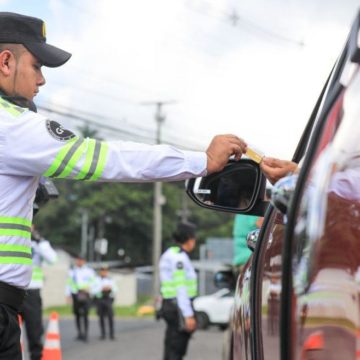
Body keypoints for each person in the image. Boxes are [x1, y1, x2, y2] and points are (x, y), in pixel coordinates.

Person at [0, 12, 247, 358]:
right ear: (6, 62)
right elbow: (110, 159)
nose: (41, 81)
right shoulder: (13, 126)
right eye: (37, 66)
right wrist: (201, 162)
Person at [159, 222, 198, 360]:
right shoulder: (178, 258)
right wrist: (188, 314)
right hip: (178, 308)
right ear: (189, 239)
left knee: (171, 346)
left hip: (172, 305)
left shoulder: (172, 254)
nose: (195, 241)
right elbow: (181, 287)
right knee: (177, 349)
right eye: (194, 238)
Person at [20, 226, 57, 360]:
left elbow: (52, 259)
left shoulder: (38, 245)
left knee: (34, 331)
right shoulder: (14, 239)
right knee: (9, 331)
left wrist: (38, 239)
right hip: (12, 290)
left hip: (32, 293)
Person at [65, 255, 96, 342]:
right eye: (78, 260)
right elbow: (68, 283)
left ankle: (86, 334)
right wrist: (67, 295)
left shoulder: (89, 271)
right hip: (76, 294)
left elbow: (94, 282)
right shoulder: (72, 271)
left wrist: (89, 289)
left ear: (84, 261)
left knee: (86, 314)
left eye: (81, 260)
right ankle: (79, 333)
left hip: (85, 294)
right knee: (77, 314)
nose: (79, 262)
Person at [94, 265, 117, 340]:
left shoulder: (110, 280)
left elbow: (116, 289)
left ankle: (111, 334)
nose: (104, 272)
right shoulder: (96, 279)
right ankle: (103, 334)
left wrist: (109, 288)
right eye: (102, 270)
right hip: (100, 299)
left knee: (110, 316)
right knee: (101, 317)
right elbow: (93, 290)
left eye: (105, 271)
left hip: (108, 299)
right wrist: (101, 288)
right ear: (100, 271)